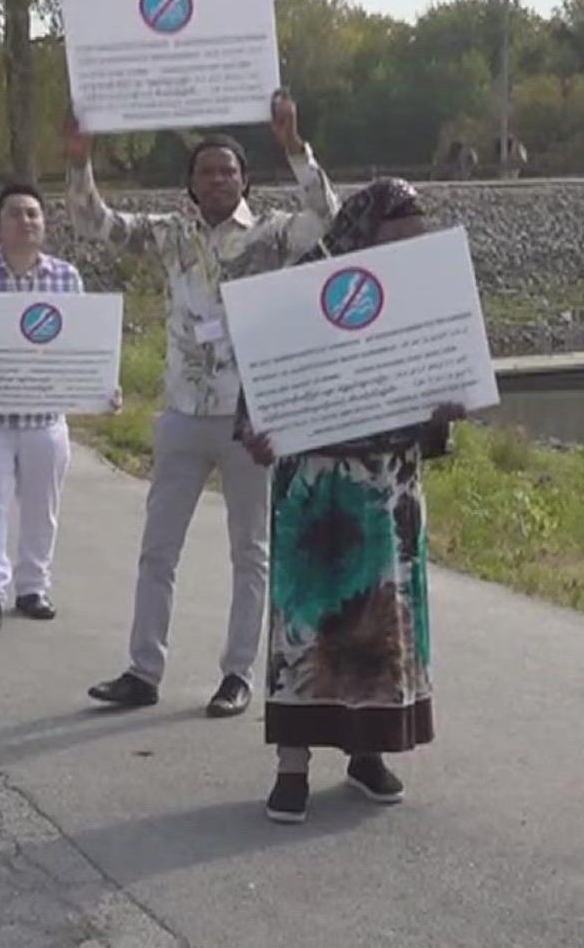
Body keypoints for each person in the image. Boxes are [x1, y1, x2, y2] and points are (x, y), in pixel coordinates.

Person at [69, 91, 340, 717]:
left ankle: (238, 673)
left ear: (244, 178)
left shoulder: (271, 235)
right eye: (205, 170)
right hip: (183, 415)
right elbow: (95, 223)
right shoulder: (169, 235)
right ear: (190, 183)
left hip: (248, 421)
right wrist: (80, 159)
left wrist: (293, 144)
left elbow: (325, 214)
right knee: (158, 550)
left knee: (251, 553)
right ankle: (143, 669)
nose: (217, 178)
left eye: (228, 169)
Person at [235, 179, 463, 824]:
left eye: (415, 241)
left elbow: (439, 375)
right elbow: (260, 369)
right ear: (363, 230)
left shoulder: (420, 299)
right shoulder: (306, 287)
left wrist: (447, 406)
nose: (405, 253)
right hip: (317, 489)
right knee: (307, 621)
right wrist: (253, 429)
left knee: (379, 623)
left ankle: (367, 754)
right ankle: (292, 765)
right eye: (395, 239)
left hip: (389, 486)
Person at [0, 183, 115, 632]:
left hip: (45, 418)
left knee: (42, 507)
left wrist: (100, 387)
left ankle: (33, 586)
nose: (25, 221)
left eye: (34, 214)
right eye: (15, 214)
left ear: (44, 224)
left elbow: (85, 343)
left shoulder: (65, 277)